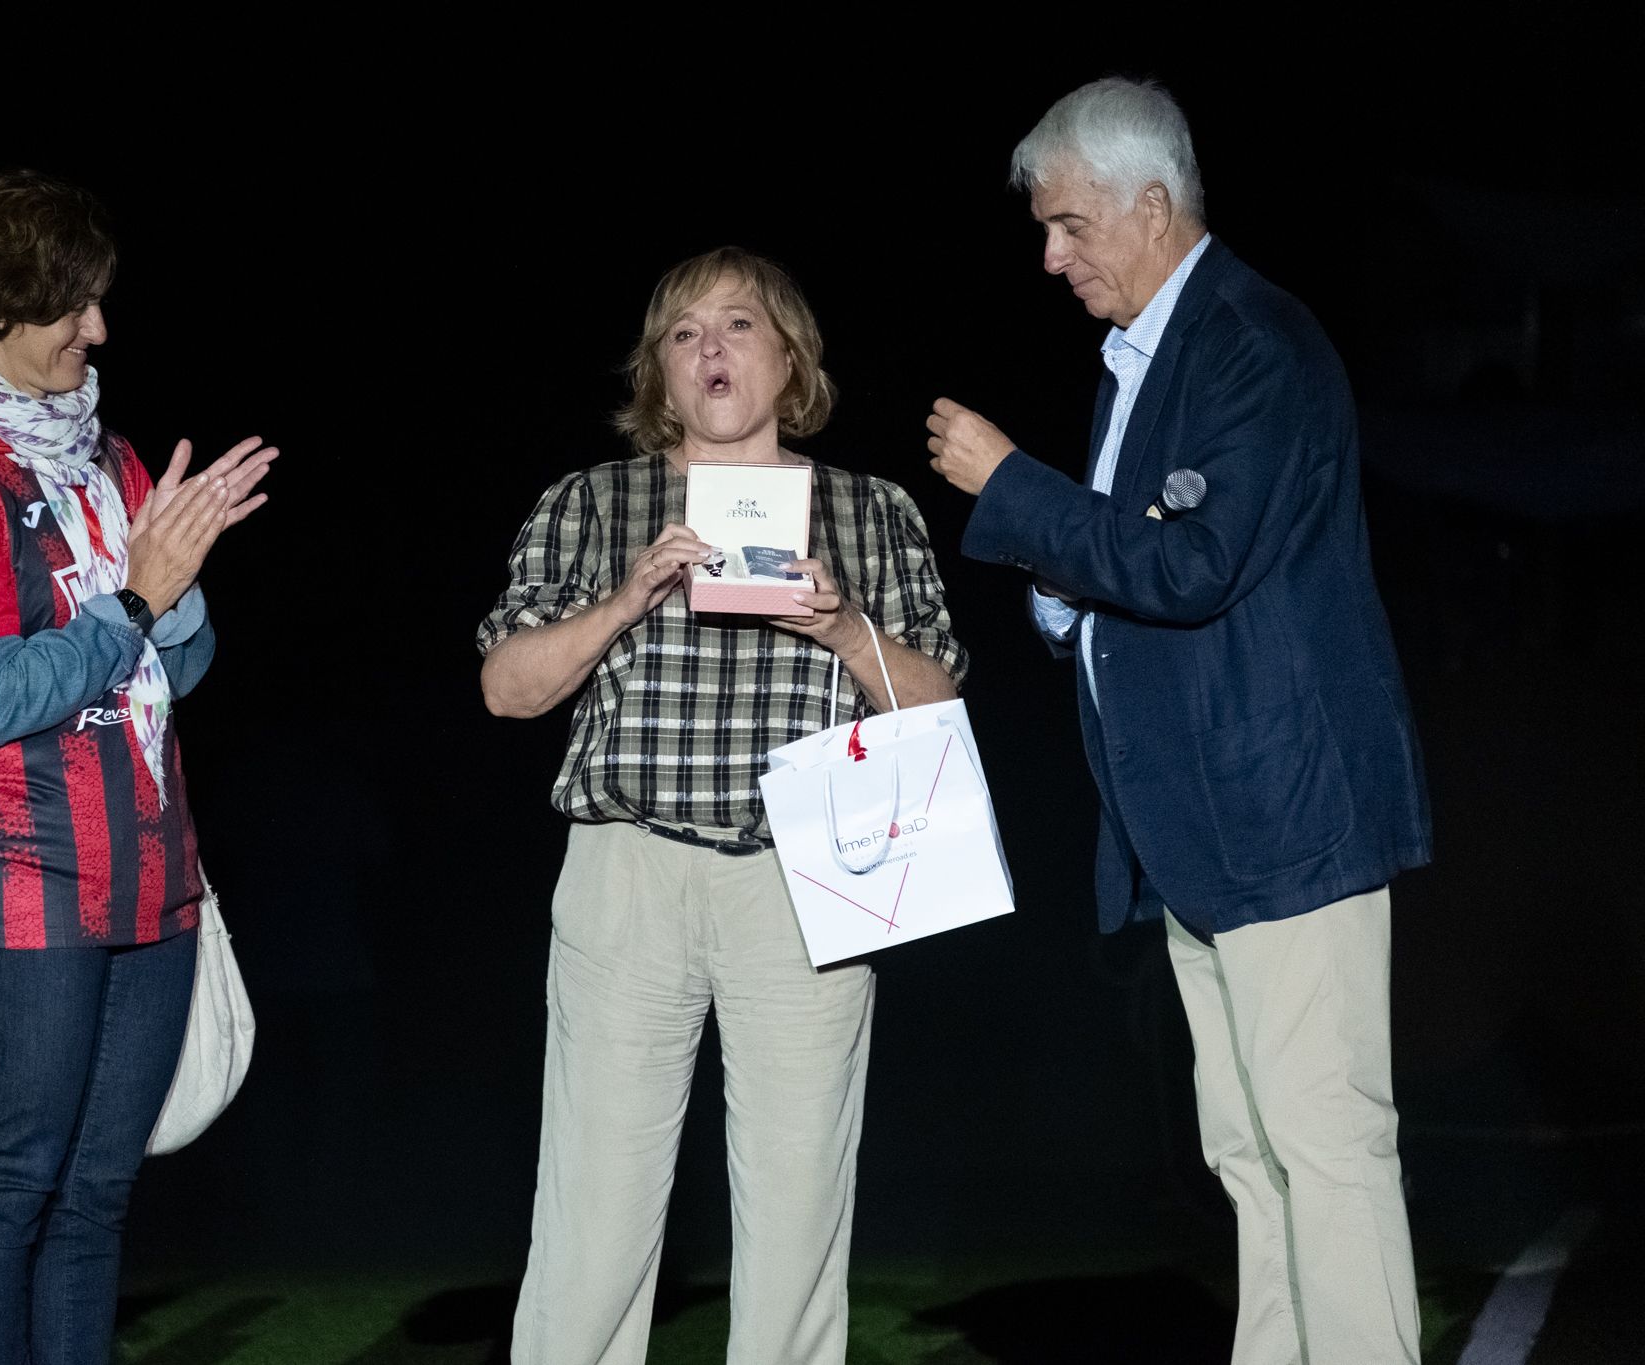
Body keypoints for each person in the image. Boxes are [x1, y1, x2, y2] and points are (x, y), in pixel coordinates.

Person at [926, 79, 1432, 1364]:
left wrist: (1015, 490)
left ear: (1150, 206)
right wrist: (1070, 575)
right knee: (1247, 1157)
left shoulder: (1251, 342)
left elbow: (1191, 564)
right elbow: (1132, 577)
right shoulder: (1146, 359)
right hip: (1201, 827)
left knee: (1323, 1148)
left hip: (1283, 816)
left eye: (1069, 227)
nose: (1050, 257)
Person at [479, 246, 969, 1364]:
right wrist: (630, 595)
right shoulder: (594, 501)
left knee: (799, 1208)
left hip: (809, 877)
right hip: (627, 873)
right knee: (591, 1213)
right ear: (658, 366)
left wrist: (842, 627)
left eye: (737, 325)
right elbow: (507, 689)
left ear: (787, 355)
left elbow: (938, 701)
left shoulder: (865, 508)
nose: (710, 349)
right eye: (684, 332)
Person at [0, 170, 274, 1365]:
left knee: (98, 1191)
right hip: (23, 879)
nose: (97, 331)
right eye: (73, 308)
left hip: (150, 877)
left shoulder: (108, 457)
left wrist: (178, 568)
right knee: (9, 1185)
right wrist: (136, 593)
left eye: (98, 303)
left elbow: (182, 665)